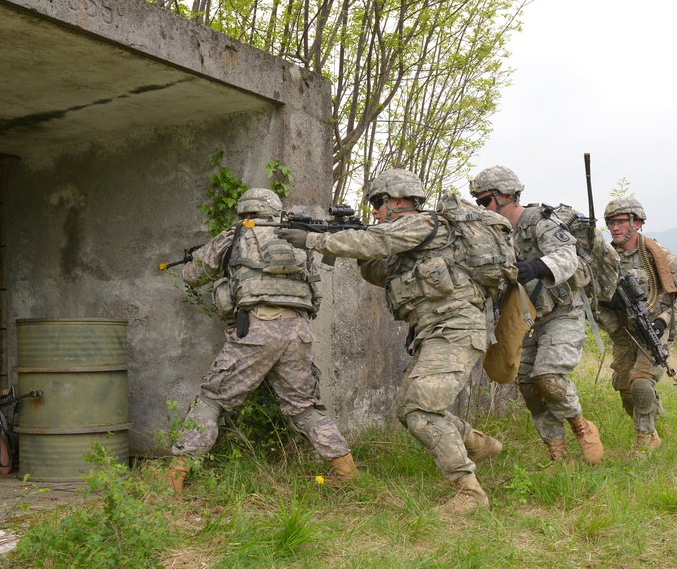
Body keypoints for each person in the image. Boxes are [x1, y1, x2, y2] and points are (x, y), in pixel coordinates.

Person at [277, 169, 507, 515]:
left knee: (421, 411)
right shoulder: (409, 244)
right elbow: (377, 269)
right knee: (407, 409)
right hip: (437, 333)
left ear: (400, 201)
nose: (375, 212)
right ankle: (478, 444)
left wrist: (313, 239)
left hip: (456, 329)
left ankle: (470, 493)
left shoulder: (422, 224)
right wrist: (346, 237)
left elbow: (376, 241)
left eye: (378, 203)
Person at [164, 188, 359, 493]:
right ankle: (347, 471)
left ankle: (173, 479)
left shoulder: (235, 235)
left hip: (256, 329)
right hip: (298, 331)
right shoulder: (299, 239)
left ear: (244, 212)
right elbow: (315, 291)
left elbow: (192, 275)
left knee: (211, 403)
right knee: (305, 408)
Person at [469, 166, 604, 466]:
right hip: (524, 318)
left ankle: (580, 426)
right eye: (478, 203)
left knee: (549, 378)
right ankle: (557, 453)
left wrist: (536, 267)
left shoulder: (539, 222)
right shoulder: (494, 233)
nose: (483, 209)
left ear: (506, 196)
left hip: (562, 312)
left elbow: (566, 256)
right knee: (529, 386)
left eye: (485, 202)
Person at [597, 197, 677, 451]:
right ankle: (651, 424)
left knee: (641, 381)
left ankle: (644, 443)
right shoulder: (607, 259)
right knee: (625, 388)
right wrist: (609, 305)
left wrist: (663, 322)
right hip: (623, 333)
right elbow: (593, 296)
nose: (615, 228)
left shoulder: (659, 255)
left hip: (655, 329)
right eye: (611, 223)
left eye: (620, 222)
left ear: (637, 223)